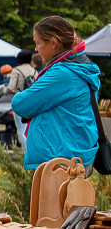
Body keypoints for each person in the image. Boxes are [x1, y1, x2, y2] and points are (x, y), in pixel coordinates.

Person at [12, 16, 101, 171]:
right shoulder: (78, 67)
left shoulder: (62, 74)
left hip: (61, 161)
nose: (36, 48)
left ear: (53, 42)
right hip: (70, 156)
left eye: (38, 43)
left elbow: (20, 104)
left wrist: (35, 109)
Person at [4, 50, 36, 149]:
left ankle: (24, 150)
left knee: (21, 129)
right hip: (32, 102)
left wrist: (5, 90)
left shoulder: (16, 70)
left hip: (20, 101)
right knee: (29, 128)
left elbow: (11, 87)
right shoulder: (34, 71)